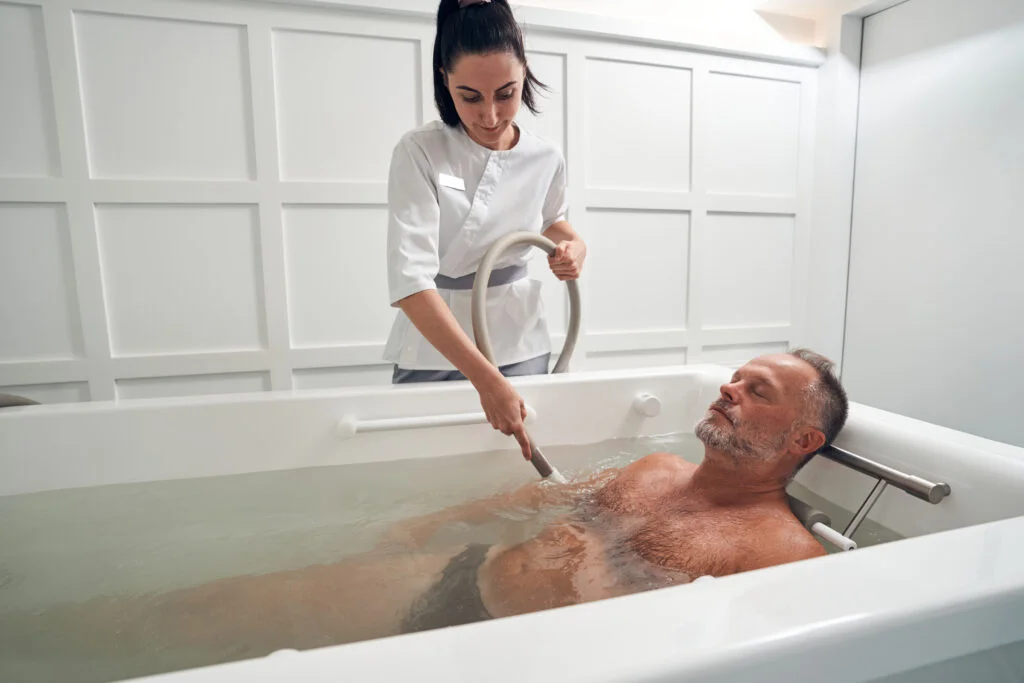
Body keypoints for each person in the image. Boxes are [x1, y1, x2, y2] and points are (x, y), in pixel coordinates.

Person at [0, 349, 849, 670]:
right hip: (459, 582)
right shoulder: (658, 465)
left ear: (802, 440)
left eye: (756, 389)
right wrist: (436, 520)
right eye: (733, 376)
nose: (728, 389)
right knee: (209, 607)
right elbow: (547, 496)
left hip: (517, 661)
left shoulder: (782, 552)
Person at [385, 0, 587, 460]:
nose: (491, 116)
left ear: (524, 74)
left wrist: (573, 246)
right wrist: (486, 379)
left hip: (518, 335)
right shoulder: (420, 151)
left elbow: (554, 221)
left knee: (517, 477)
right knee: (423, 470)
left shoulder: (545, 156)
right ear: (445, 81)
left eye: (506, 93)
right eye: (470, 96)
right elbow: (411, 279)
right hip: (434, 343)